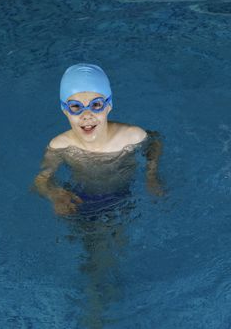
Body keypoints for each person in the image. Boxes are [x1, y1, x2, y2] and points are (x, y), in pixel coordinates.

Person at [34, 63, 163, 216]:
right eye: (75, 107)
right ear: (64, 110)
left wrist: (151, 176)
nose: (87, 115)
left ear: (109, 105)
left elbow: (154, 141)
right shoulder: (60, 145)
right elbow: (41, 180)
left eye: (96, 105)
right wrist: (55, 194)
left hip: (124, 195)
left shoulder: (132, 136)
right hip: (79, 199)